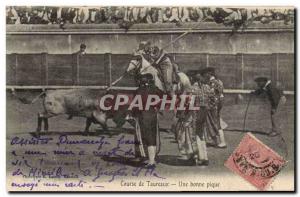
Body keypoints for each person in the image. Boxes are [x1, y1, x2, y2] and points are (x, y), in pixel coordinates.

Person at [133, 73, 162, 168]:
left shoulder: (138, 91)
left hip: (143, 114)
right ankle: (152, 159)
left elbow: (135, 106)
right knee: (153, 137)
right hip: (153, 113)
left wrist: (133, 114)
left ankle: (151, 161)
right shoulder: (155, 89)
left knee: (146, 137)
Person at [201, 67, 227, 148]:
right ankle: (216, 141)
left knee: (215, 122)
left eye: (205, 73)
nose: (204, 75)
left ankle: (222, 142)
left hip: (214, 105)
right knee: (214, 122)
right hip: (217, 104)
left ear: (209, 73)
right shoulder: (218, 81)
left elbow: (211, 94)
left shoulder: (212, 82)